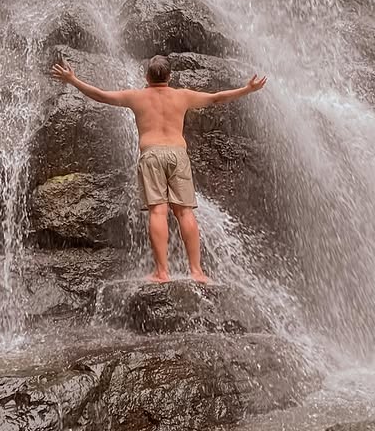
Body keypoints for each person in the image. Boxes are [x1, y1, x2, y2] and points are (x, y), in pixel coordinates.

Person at [51, 54, 266, 284]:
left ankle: (162, 272)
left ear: (146, 76)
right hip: (178, 154)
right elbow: (215, 99)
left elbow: (100, 95)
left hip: (152, 154)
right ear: (170, 76)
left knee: (158, 212)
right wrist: (247, 89)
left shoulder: (136, 97)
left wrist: (73, 80)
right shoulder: (182, 96)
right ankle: (197, 271)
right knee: (185, 212)